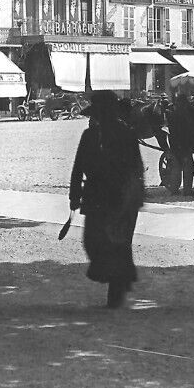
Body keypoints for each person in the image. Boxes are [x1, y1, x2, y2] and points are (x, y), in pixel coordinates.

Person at [69, 91, 145, 308]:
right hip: (100, 197)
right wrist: (74, 196)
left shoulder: (124, 134)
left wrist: (134, 197)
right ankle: (118, 281)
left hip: (117, 198)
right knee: (97, 242)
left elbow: (136, 169)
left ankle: (117, 289)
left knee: (115, 245)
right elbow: (78, 168)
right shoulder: (91, 136)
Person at [167, 88, 194, 195]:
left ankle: (174, 189)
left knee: (176, 167)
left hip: (175, 144)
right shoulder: (184, 115)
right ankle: (187, 190)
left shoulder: (173, 113)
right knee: (188, 166)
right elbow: (187, 131)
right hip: (183, 144)